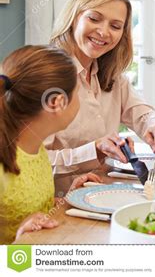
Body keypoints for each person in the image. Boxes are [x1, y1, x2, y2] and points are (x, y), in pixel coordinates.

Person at [48, 0, 155, 194]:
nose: (103, 32)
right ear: (74, 17)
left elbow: (143, 114)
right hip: (58, 206)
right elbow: (27, 163)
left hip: (105, 195)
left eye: (115, 26)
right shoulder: (47, 77)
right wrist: (94, 150)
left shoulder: (112, 76)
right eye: (94, 18)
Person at [0, 45, 100, 243]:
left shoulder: (36, 149)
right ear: (56, 102)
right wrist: (18, 239)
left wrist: (67, 199)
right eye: (77, 93)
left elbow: (30, 211)